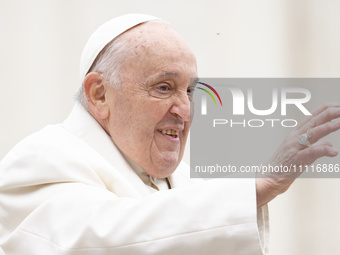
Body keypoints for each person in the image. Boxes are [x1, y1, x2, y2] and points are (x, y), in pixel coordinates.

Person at [0, 13, 340, 255]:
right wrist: (254, 187)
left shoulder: (187, 182)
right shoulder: (43, 158)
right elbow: (97, 241)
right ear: (100, 94)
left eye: (190, 91)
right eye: (164, 88)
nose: (186, 111)